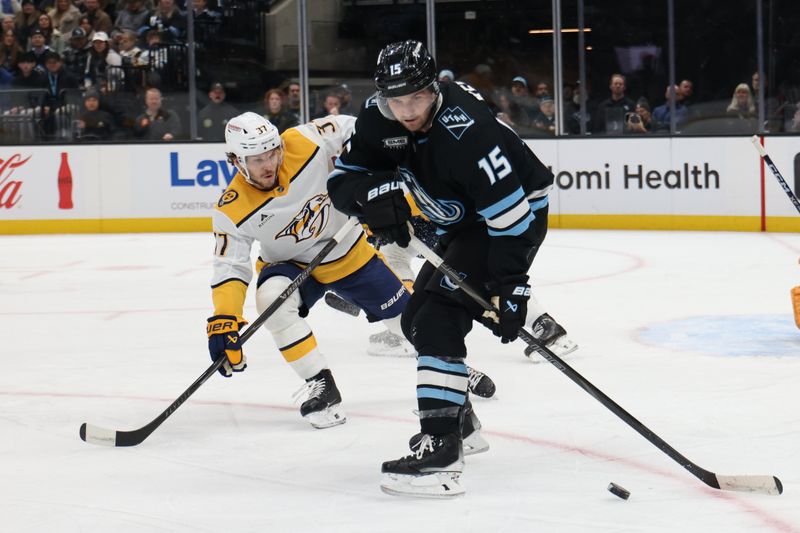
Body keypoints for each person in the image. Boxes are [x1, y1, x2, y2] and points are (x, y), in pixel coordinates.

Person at [327, 40, 572, 498]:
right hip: (458, 222)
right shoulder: (378, 118)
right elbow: (342, 180)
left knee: (439, 318)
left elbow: (513, 223)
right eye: (396, 100)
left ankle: (442, 450)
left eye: (416, 98)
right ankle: (462, 423)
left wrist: (512, 289)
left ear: (433, 88)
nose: (406, 110)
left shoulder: (469, 132)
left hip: (510, 221)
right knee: (414, 320)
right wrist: (375, 197)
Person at [206, 111, 413, 429]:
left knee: (409, 322)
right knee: (272, 302)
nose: (268, 164)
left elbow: (351, 126)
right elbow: (231, 265)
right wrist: (225, 317)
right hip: (289, 266)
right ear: (236, 161)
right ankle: (321, 384)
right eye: (256, 159)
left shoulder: (304, 141)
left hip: (347, 252)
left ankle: (449, 367)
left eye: (271, 153)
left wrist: (366, 167)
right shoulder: (232, 207)